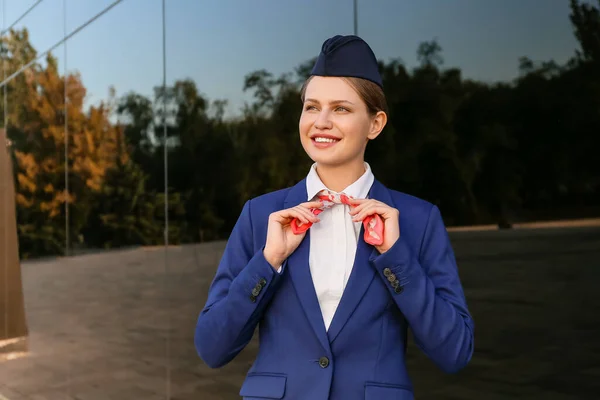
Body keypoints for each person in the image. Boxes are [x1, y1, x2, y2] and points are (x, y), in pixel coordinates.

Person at [194, 34, 474, 400]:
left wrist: (396, 257)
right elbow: (212, 347)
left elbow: (455, 351)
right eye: (311, 107)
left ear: (375, 124)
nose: (321, 122)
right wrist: (268, 261)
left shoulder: (418, 220)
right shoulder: (260, 215)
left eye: (340, 108)